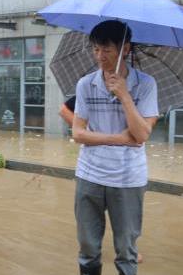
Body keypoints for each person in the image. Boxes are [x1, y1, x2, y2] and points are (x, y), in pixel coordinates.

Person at [65, 20, 158, 275]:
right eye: (95, 48)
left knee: (125, 248)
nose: (99, 55)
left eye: (106, 48)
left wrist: (124, 96)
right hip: (89, 175)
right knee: (88, 244)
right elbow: (77, 133)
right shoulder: (85, 84)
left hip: (128, 180)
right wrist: (118, 139)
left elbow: (142, 133)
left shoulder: (145, 85)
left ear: (125, 50)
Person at [59, 96, 144, 264]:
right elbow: (64, 110)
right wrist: (87, 132)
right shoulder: (90, 88)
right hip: (92, 170)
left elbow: (141, 135)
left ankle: (127, 250)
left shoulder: (142, 90)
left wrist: (124, 96)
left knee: (126, 223)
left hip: (127, 172)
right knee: (89, 232)